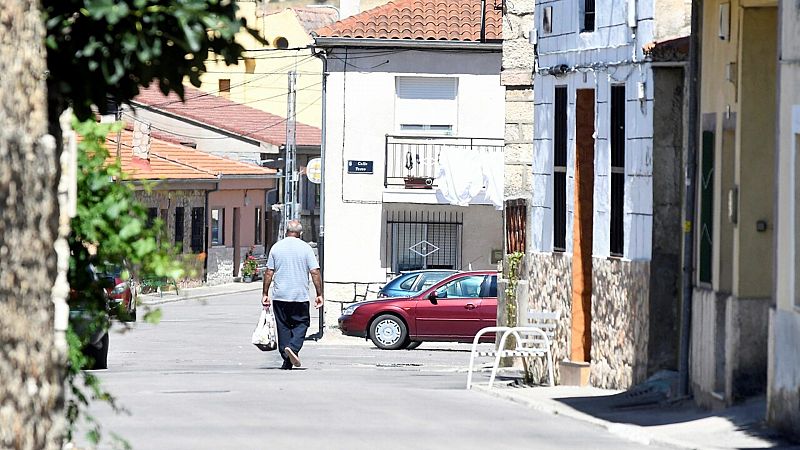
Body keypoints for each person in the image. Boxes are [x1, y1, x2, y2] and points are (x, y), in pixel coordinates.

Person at [261, 220, 324, 370]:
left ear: (286, 232)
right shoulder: (306, 248)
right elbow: (314, 271)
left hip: (280, 296)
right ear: (300, 233)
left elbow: (269, 272)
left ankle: (286, 360)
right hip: (299, 296)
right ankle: (293, 348)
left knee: (283, 327)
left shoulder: (276, 248)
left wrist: (265, 293)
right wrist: (319, 294)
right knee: (302, 323)